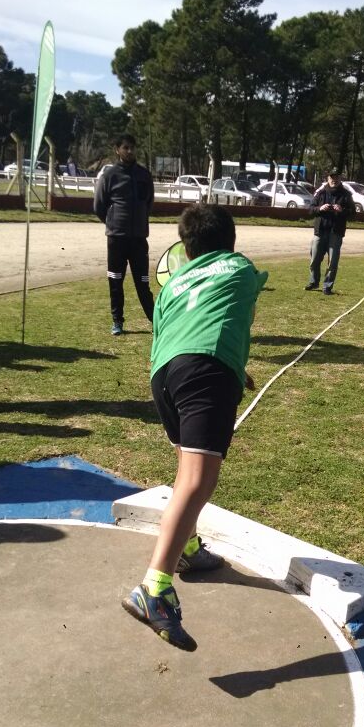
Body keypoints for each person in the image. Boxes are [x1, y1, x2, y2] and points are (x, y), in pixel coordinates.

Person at [122, 204, 268, 652]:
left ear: (186, 245)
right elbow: (234, 311)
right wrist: (220, 368)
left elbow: (176, 325)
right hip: (205, 373)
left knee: (186, 466)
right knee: (199, 478)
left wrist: (230, 367)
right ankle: (155, 587)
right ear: (232, 238)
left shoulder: (172, 284)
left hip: (164, 373)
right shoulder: (241, 268)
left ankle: (187, 549)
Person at [93, 133, 155, 336]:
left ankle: (156, 321)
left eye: (132, 147)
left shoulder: (144, 175)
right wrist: (113, 223)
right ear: (117, 150)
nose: (130, 151)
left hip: (139, 239)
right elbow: (99, 206)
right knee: (115, 282)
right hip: (116, 239)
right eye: (125, 147)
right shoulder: (109, 176)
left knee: (143, 283)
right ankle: (117, 321)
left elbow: (149, 203)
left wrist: (138, 223)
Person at [304, 167, 354, 295]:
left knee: (333, 262)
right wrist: (320, 208)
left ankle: (327, 286)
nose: (334, 180)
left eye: (336, 177)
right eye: (332, 177)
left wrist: (341, 210)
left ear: (340, 178)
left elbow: (353, 214)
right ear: (328, 178)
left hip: (336, 233)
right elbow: (310, 210)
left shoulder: (346, 195)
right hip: (320, 231)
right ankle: (314, 282)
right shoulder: (321, 193)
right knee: (314, 259)